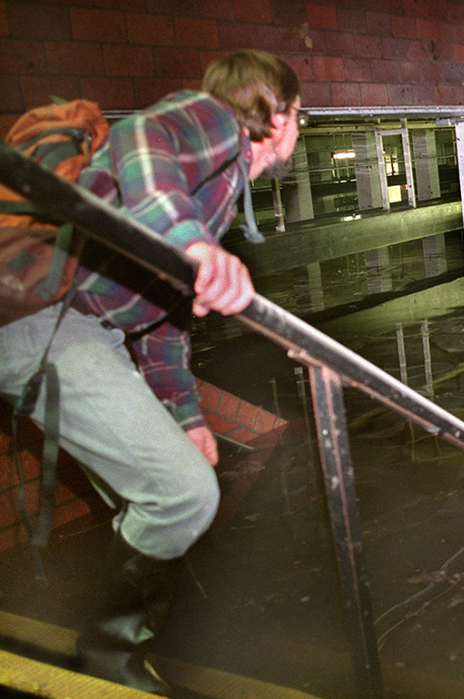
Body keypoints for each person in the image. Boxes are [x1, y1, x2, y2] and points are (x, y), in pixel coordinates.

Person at [0, 49, 303, 695]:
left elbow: (161, 320)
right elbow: (142, 134)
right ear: (279, 116)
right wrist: (191, 242)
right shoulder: (218, 123)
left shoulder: (215, 191)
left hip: (83, 328)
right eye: (301, 116)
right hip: (50, 323)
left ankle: (120, 653)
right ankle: (110, 654)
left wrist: (187, 416)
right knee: (184, 494)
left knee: (161, 487)